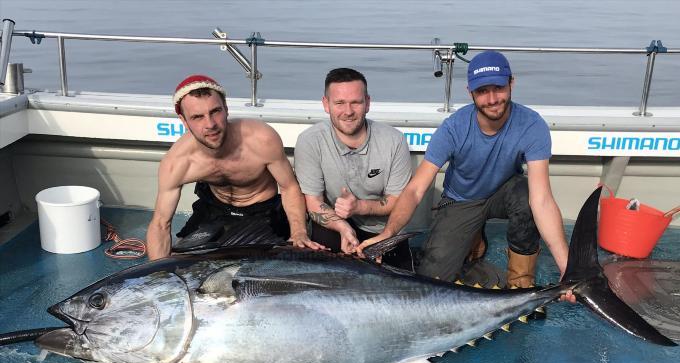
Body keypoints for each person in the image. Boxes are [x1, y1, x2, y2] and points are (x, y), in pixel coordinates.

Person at [356, 51, 575, 297]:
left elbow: (542, 200)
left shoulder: (532, 125)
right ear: (469, 91)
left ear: (511, 83)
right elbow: (416, 189)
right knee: (431, 281)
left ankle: (520, 285)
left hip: (504, 193)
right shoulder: (453, 128)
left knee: (526, 196)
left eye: (499, 88)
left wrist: (567, 267)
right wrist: (387, 234)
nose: (492, 99)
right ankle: (473, 238)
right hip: (461, 201)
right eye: (483, 91)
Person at [147, 74, 322, 260]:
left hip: (264, 212)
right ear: (184, 120)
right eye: (197, 117)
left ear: (226, 109)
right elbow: (160, 224)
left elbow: (289, 187)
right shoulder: (178, 161)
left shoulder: (261, 139)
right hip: (214, 210)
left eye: (215, 111)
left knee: (284, 260)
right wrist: (157, 273)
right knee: (180, 261)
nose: (210, 124)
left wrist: (298, 232)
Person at [293, 68, 414, 270]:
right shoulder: (310, 140)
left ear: (367, 103)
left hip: (384, 227)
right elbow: (313, 202)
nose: (348, 111)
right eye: (339, 103)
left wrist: (360, 207)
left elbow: (398, 201)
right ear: (326, 104)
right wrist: (342, 227)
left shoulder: (394, 140)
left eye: (356, 102)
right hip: (334, 223)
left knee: (404, 284)